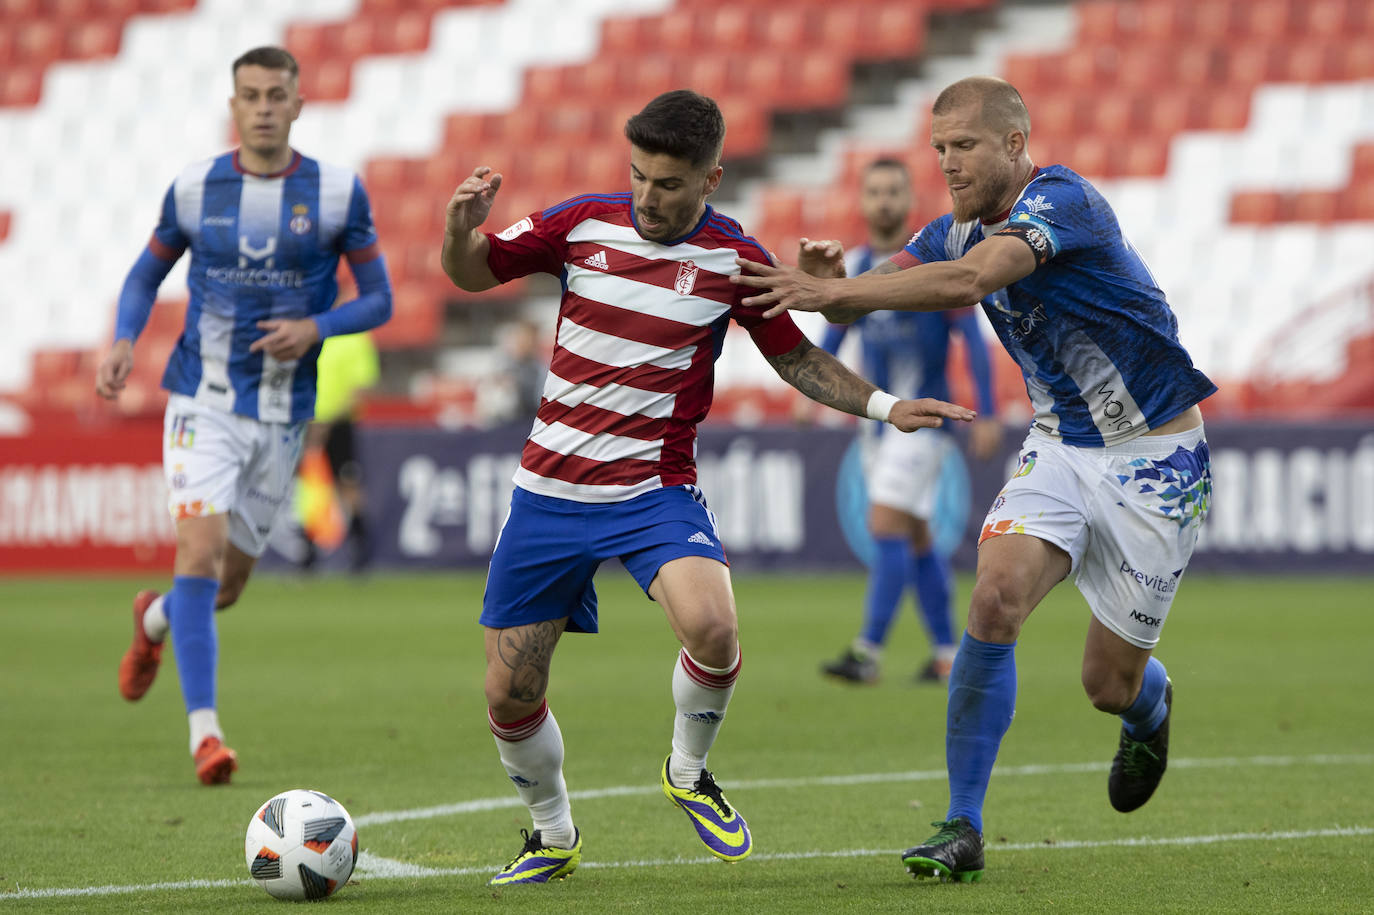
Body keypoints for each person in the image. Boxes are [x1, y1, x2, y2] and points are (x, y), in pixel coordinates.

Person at [439, 89, 976, 886]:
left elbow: (797, 358)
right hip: (548, 492)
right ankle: (553, 833)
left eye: (668, 183)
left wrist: (886, 406)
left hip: (653, 489)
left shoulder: (733, 261)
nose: (648, 197)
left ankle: (687, 771)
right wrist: (459, 228)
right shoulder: (581, 223)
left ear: (711, 178)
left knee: (715, 629)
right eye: (639, 177)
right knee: (511, 691)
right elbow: (472, 272)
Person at [732, 76, 1215, 883]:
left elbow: (971, 281)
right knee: (992, 599)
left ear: (1016, 146)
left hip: (1157, 459)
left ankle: (1150, 706)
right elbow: (867, 297)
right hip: (1063, 445)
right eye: (940, 149)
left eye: (965, 146)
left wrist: (840, 290)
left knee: (1106, 682)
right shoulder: (953, 227)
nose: (949, 164)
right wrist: (833, 284)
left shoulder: (1063, 202)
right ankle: (964, 824)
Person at [95, 46, 392, 785]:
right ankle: (207, 736)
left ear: (297, 104)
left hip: (284, 415)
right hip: (203, 399)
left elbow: (379, 298)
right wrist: (124, 341)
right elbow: (144, 274)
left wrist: (317, 328)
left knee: (222, 587)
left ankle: (153, 620)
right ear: (234, 105)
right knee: (195, 555)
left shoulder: (336, 193)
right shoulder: (196, 189)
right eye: (250, 95)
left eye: (275, 95)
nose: (262, 107)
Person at [808, 158, 1003, 687]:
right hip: (877, 427)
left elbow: (974, 340)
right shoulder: (863, 268)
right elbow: (834, 330)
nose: (884, 201)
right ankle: (948, 655)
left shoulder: (932, 263)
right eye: (875, 191)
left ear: (908, 197)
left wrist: (986, 410)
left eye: (894, 190)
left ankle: (867, 652)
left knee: (885, 524)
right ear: (864, 201)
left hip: (925, 422)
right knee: (916, 537)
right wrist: (812, 390)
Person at [302, 330, 381, 572]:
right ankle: (308, 549)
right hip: (308, 422)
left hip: (338, 424)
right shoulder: (311, 333)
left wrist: (328, 422)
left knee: (347, 483)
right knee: (310, 484)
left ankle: (359, 548)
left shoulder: (354, 338)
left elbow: (361, 388)